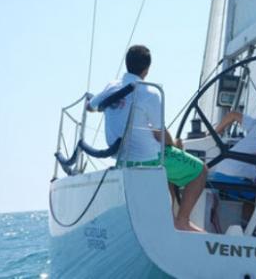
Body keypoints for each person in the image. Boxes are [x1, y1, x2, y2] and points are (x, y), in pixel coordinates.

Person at [88, 45, 207, 232]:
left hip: (121, 158)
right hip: (148, 159)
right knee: (200, 170)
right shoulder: (150, 92)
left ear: (127, 64)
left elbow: (90, 107)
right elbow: (161, 135)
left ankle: (166, 215)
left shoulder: (111, 87)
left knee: (167, 160)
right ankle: (182, 221)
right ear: (147, 70)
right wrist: (175, 144)